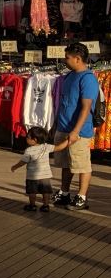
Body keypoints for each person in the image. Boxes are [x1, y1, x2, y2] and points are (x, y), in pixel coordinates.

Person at [53, 42, 98, 211]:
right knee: (66, 164)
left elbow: (86, 107)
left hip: (78, 131)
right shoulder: (69, 76)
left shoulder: (88, 78)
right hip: (63, 127)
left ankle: (81, 196)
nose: (65, 60)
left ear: (77, 59)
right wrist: (55, 124)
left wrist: (76, 131)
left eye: (67, 57)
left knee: (81, 165)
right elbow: (64, 103)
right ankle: (64, 193)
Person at [12, 126, 69, 212]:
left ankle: (32, 205)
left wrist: (15, 167)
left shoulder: (29, 150)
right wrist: (68, 141)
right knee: (45, 192)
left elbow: (23, 162)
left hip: (32, 177)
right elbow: (59, 147)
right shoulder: (46, 147)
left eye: (28, 137)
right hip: (45, 176)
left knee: (32, 192)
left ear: (34, 140)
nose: (26, 138)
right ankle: (46, 206)